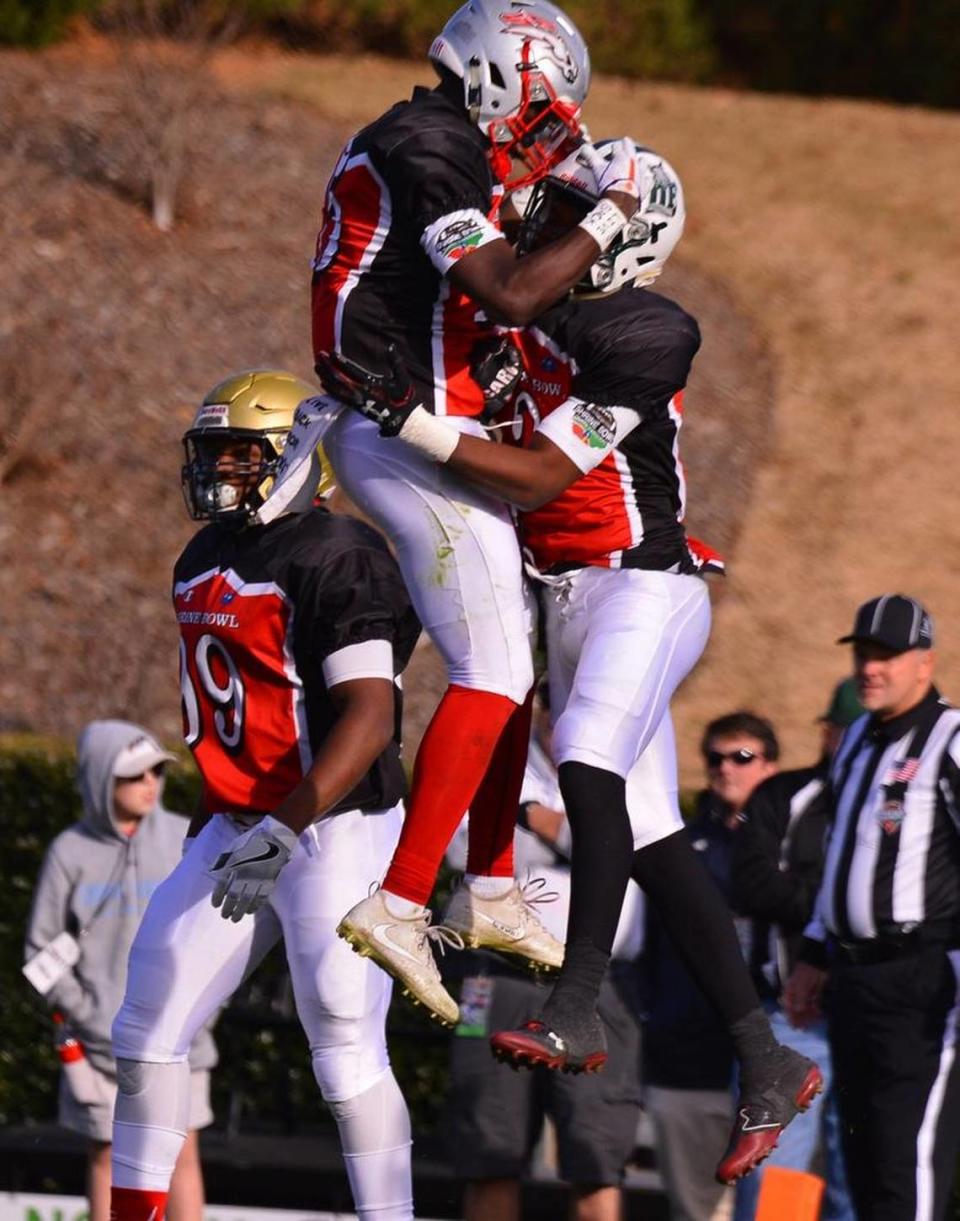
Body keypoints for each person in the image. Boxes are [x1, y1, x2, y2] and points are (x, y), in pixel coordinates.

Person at [319, 139, 824, 1183]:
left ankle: (576, 1001)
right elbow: (487, 306)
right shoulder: (536, 308)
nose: (550, 219)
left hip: (644, 587)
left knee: (586, 757)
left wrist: (404, 422)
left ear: (628, 232)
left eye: (578, 208)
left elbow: (545, 473)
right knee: (651, 836)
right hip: (573, 604)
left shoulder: (650, 328)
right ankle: (766, 1056)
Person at [263, 1, 653, 1028]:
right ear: (497, 72)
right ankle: (399, 901)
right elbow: (513, 294)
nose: (544, 123)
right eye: (541, 101)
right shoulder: (429, 147)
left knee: (510, 656)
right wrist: (611, 212)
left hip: (411, 420)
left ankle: (485, 885)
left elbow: (475, 290)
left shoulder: (427, 142)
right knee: (495, 671)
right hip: (403, 429)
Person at [108, 371, 421, 1221]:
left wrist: (286, 826)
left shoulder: (340, 552)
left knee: (346, 1052)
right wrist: (235, 818)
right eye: (213, 452)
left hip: (333, 830)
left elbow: (369, 715)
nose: (221, 470)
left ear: (294, 455)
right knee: (144, 1030)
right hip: (239, 824)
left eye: (242, 453)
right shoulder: (203, 554)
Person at [785, 595, 960, 1221]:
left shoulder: (951, 738)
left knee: (905, 1160)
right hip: (853, 978)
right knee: (858, 1161)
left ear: (925, 661)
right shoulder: (857, 736)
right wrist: (811, 953)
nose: (871, 668)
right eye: (863, 654)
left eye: (887, 655)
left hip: (922, 977)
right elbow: (840, 857)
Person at [444, 680, 645, 1221]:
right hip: (497, 976)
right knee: (489, 1151)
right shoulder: (496, 761)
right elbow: (462, 847)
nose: (571, 728)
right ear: (542, 714)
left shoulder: (634, 769)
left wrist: (532, 817)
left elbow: (629, 847)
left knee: (595, 1156)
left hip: (597, 985)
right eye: (561, 714)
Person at [23, 721, 215, 1221]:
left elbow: (215, 936)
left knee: (181, 1153)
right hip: (98, 1048)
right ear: (98, 780)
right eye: (134, 775)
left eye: (156, 771)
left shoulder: (185, 838)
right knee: (108, 1154)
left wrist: (196, 1015)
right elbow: (39, 951)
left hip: (182, 1043)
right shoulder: (69, 852)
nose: (150, 783)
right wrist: (89, 1018)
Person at [729, 683, 862, 1221]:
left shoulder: (911, 803)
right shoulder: (787, 795)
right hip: (793, 1017)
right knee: (781, 1177)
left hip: (875, 1015)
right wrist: (849, 906)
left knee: (860, 1175)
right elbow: (754, 883)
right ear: (828, 735)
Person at [641, 712, 779, 1221]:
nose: (727, 768)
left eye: (742, 757)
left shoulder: (798, 842)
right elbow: (649, 946)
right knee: (696, 1212)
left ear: (771, 766)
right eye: (716, 758)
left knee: (773, 1210)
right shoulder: (678, 846)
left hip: (772, 1060)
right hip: (687, 1058)